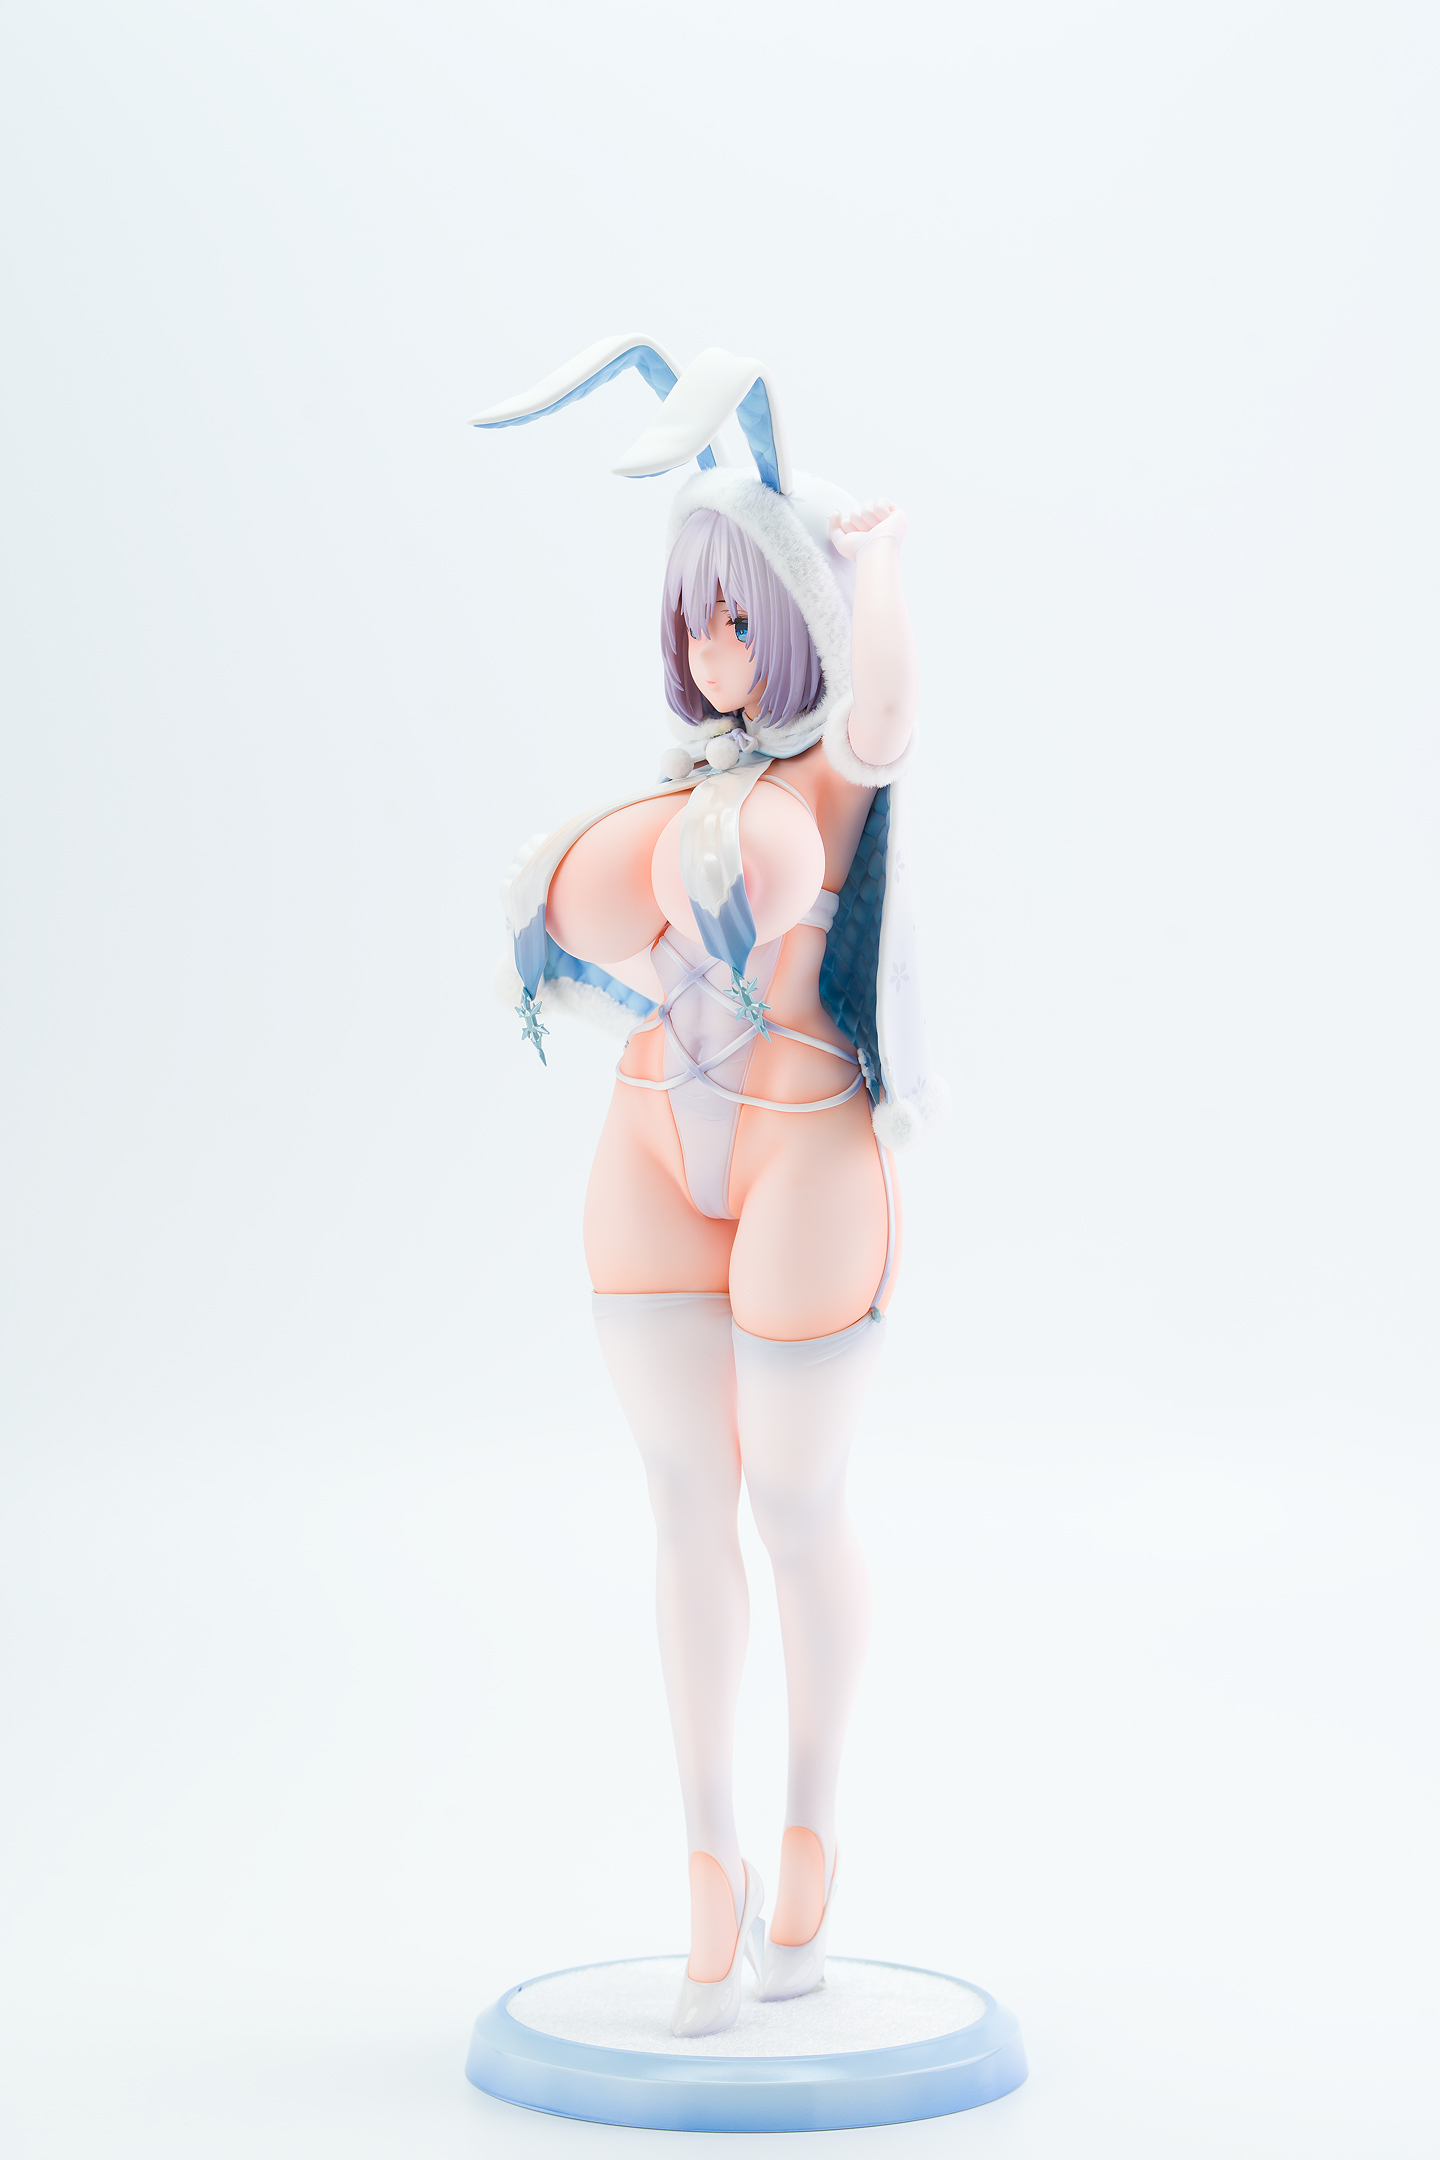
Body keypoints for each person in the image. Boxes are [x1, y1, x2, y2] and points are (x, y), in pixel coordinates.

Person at [477, 340, 945, 2037]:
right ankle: (706, 1861)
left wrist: (874, 563)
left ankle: (810, 1827)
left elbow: (886, 716)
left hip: (807, 1145)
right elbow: (592, 913)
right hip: (651, 1151)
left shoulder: (829, 781)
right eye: (696, 621)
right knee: (685, 1505)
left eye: (743, 617)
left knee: (794, 1507)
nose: (715, 650)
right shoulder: (682, 797)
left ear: (795, 622)